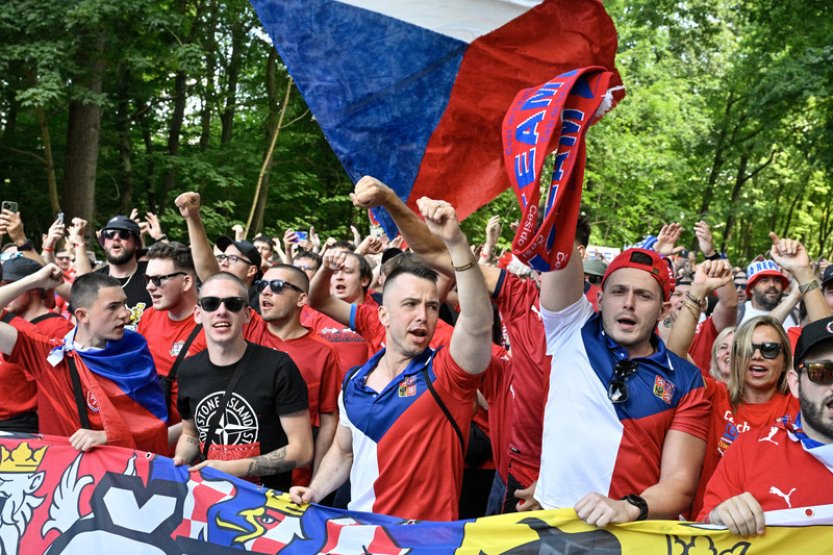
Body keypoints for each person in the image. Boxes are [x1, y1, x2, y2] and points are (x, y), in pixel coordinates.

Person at [289, 197, 494, 521]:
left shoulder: (447, 375)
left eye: (430, 306)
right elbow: (344, 452)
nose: (423, 316)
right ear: (382, 315)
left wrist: (456, 244)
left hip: (425, 544)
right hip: (362, 536)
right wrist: (314, 491)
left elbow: (478, 323)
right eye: (410, 304)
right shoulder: (355, 382)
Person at [535, 246, 710, 526]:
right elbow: (561, 245)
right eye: (618, 292)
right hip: (552, 527)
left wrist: (627, 508)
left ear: (663, 309)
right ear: (601, 299)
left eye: (643, 296)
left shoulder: (687, 380)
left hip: (631, 534)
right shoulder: (571, 327)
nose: (628, 303)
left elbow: (680, 483)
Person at [0, 267, 167, 453]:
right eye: (113, 307)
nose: (125, 314)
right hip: (67, 474)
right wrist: (32, 280)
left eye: (124, 304)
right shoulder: (50, 355)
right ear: (82, 315)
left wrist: (108, 435)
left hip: (124, 474)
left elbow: (154, 421)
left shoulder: (134, 348)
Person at [173, 272, 313, 492]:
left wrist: (232, 468)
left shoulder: (278, 367)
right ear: (198, 314)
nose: (221, 311)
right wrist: (180, 460)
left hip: (263, 505)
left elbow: (302, 450)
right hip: (208, 496)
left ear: (247, 314)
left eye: (233, 304)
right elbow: (191, 433)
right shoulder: (188, 370)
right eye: (211, 304)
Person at [698, 315, 833, 535]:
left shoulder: (793, 403)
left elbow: (826, 326)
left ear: (783, 362)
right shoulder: (743, 446)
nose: (758, 356)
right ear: (796, 383)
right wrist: (717, 517)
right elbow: (703, 535)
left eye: (769, 349)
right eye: (821, 373)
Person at [246, 264, 341, 486]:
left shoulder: (324, 350)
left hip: (293, 476)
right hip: (240, 470)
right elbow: (212, 277)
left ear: (301, 299)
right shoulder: (247, 328)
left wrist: (316, 479)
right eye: (262, 285)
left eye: (277, 286)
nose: (266, 292)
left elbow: (328, 419)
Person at [137, 242, 205, 451]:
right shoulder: (148, 316)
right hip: (149, 440)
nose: (149, 286)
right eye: (148, 279)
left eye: (158, 279)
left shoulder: (212, 325)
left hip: (191, 450)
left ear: (186, 282)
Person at [0, 257, 73, 433]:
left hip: (16, 428)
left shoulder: (41, 330)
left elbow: (58, 391)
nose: (6, 291)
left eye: (11, 285)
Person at [73, 215, 153, 319]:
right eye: (109, 234)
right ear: (104, 243)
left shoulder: (153, 275)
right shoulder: (95, 281)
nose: (115, 238)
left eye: (124, 234)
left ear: (136, 243)